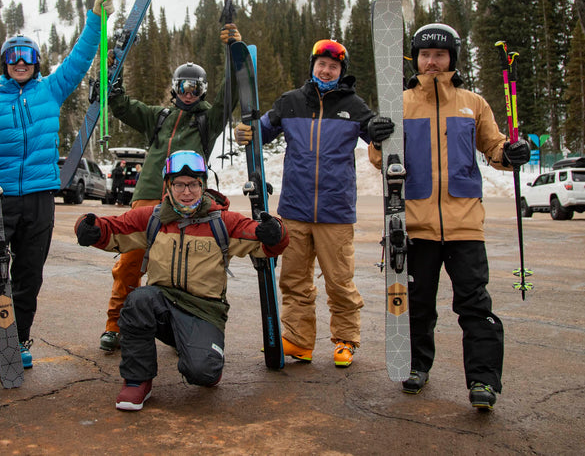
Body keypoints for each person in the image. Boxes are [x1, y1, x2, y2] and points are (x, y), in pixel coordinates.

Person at [0, 0, 112, 382]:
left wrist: (96, 19)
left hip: (38, 198)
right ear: (4, 63)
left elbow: (80, 59)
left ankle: (15, 342)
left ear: (36, 63)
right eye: (13, 56)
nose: (20, 62)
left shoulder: (50, 91)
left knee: (27, 274)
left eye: (27, 56)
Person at [368, 23, 530, 411]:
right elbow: (379, 159)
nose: (432, 62)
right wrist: (375, 136)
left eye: (440, 55)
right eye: (425, 55)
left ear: (452, 59)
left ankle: (483, 381)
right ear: (415, 59)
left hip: (465, 225)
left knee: (475, 306)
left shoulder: (473, 103)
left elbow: (494, 148)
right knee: (419, 305)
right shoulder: (400, 102)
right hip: (416, 225)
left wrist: (512, 154)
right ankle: (417, 367)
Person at [75, 150, 288, 411]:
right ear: (168, 186)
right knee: (138, 300)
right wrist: (89, 229)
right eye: (179, 184)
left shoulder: (222, 222)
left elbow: (263, 242)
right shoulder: (153, 218)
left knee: (202, 373)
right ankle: (137, 381)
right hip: (161, 304)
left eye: (193, 184)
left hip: (203, 311)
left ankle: (201, 354)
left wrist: (275, 232)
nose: (186, 192)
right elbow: (114, 228)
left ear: (203, 185)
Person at [235, 39, 393, 368]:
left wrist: (379, 133)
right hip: (294, 209)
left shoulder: (354, 105)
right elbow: (259, 131)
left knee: (339, 281)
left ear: (341, 72)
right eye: (321, 64)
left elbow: (379, 148)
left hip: (335, 212)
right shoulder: (291, 102)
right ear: (313, 66)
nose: (326, 70)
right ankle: (298, 340)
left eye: (333, 66)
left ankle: (346, 340)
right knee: (294, 279)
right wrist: (244, 132)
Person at [96, 24, 241, 353]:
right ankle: (115, 324)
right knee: (130, 262)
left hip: (187, 202)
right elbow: (121, 106)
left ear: (202, 90)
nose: (188, 93)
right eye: (183, 86)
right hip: (148, 196)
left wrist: (233, 54)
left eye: (195, 87)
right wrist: (112, 75)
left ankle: (182, 327)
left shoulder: (208, 120)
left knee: (183, 268)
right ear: (174, 88)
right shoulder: (158, 117)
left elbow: (230, 97)